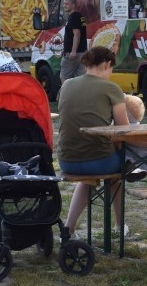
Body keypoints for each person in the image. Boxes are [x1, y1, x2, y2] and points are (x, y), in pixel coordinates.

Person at [58, 46, 142, 239]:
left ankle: (69, 228)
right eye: (112, 68)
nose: (111, 74)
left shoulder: (67, 85)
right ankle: (120, 226)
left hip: (67, 160)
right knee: (117, 173)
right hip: (99, 160)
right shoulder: (111, 88)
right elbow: (124, 129)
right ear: (106, 64)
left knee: (90, 179)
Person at [60, 0, 87, 83]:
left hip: (74, 54)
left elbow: (77, 34)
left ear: (73, 5)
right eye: (64, 4)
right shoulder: (80, 16)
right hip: (82, 52)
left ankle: (66, 96)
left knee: (65, 77)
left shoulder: (73, 17)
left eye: (67, 4)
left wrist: (73, 51)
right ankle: (80, 96)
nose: (64, 6)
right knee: (80, 78)